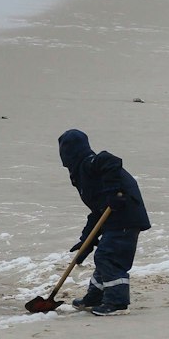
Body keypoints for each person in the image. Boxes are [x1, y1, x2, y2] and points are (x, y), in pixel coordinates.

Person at [57, 129, 152, 315]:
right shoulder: (82, 175)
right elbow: (97, 212)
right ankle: (95, 296)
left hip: (125, 216)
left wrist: (112, 192)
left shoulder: (89, 163)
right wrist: (86, 241)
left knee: (109, 257)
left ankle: (117, 303)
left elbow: (111, 160)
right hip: (114, 218)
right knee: (103, 256)